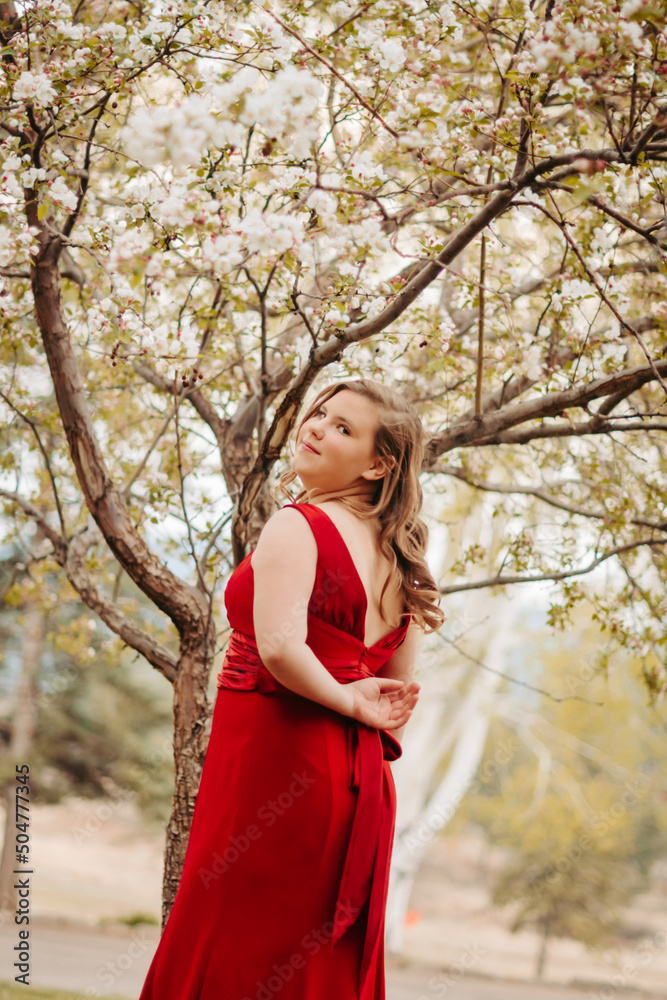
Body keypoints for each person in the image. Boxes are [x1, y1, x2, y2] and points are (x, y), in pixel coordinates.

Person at [138, 378, 444, 1000]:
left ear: (380, 463)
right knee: (298, 960)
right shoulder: (402, 559)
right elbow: (395, 694)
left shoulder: (297, 524)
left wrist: (343, 699)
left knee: (231, 943)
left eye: (343, 429)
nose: (315, 427)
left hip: (272, 770)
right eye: (321, 414)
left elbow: (280, 648)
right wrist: (356, 703)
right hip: (353, 787)